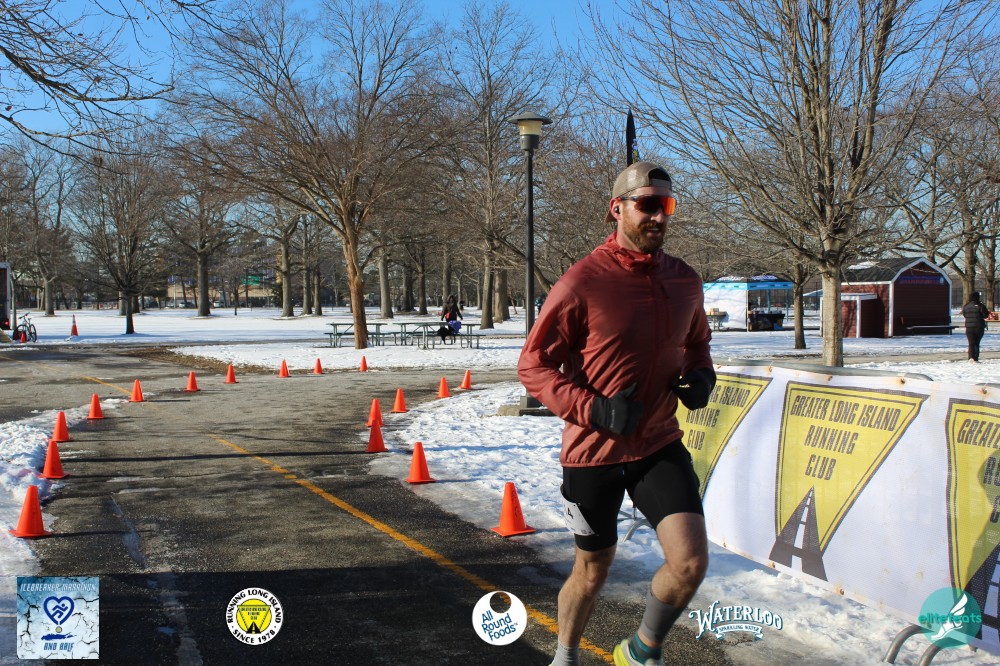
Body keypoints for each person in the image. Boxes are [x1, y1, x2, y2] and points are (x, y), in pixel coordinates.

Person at [518, 161, 716, 666]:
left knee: (690, 562)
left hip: (657, 443)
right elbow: (533, 366)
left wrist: (701, 376)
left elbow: (698, 344)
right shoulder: (582, 281)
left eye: (666, 205)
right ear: (617, 209)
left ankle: (641, 651)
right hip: (593, 452)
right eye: (648, 204)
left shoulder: (684, 280)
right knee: (592, 571)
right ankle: (565, 656)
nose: (659, 216)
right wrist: (596, 409)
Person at [962, 291, 989, 363]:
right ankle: (975, 358)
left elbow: (964, 315)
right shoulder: (980, 305)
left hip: (969, 327)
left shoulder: (966, 306)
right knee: (976, 342)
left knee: (971, 343)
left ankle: (970, 357)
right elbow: (986, 315)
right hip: (978, 326)